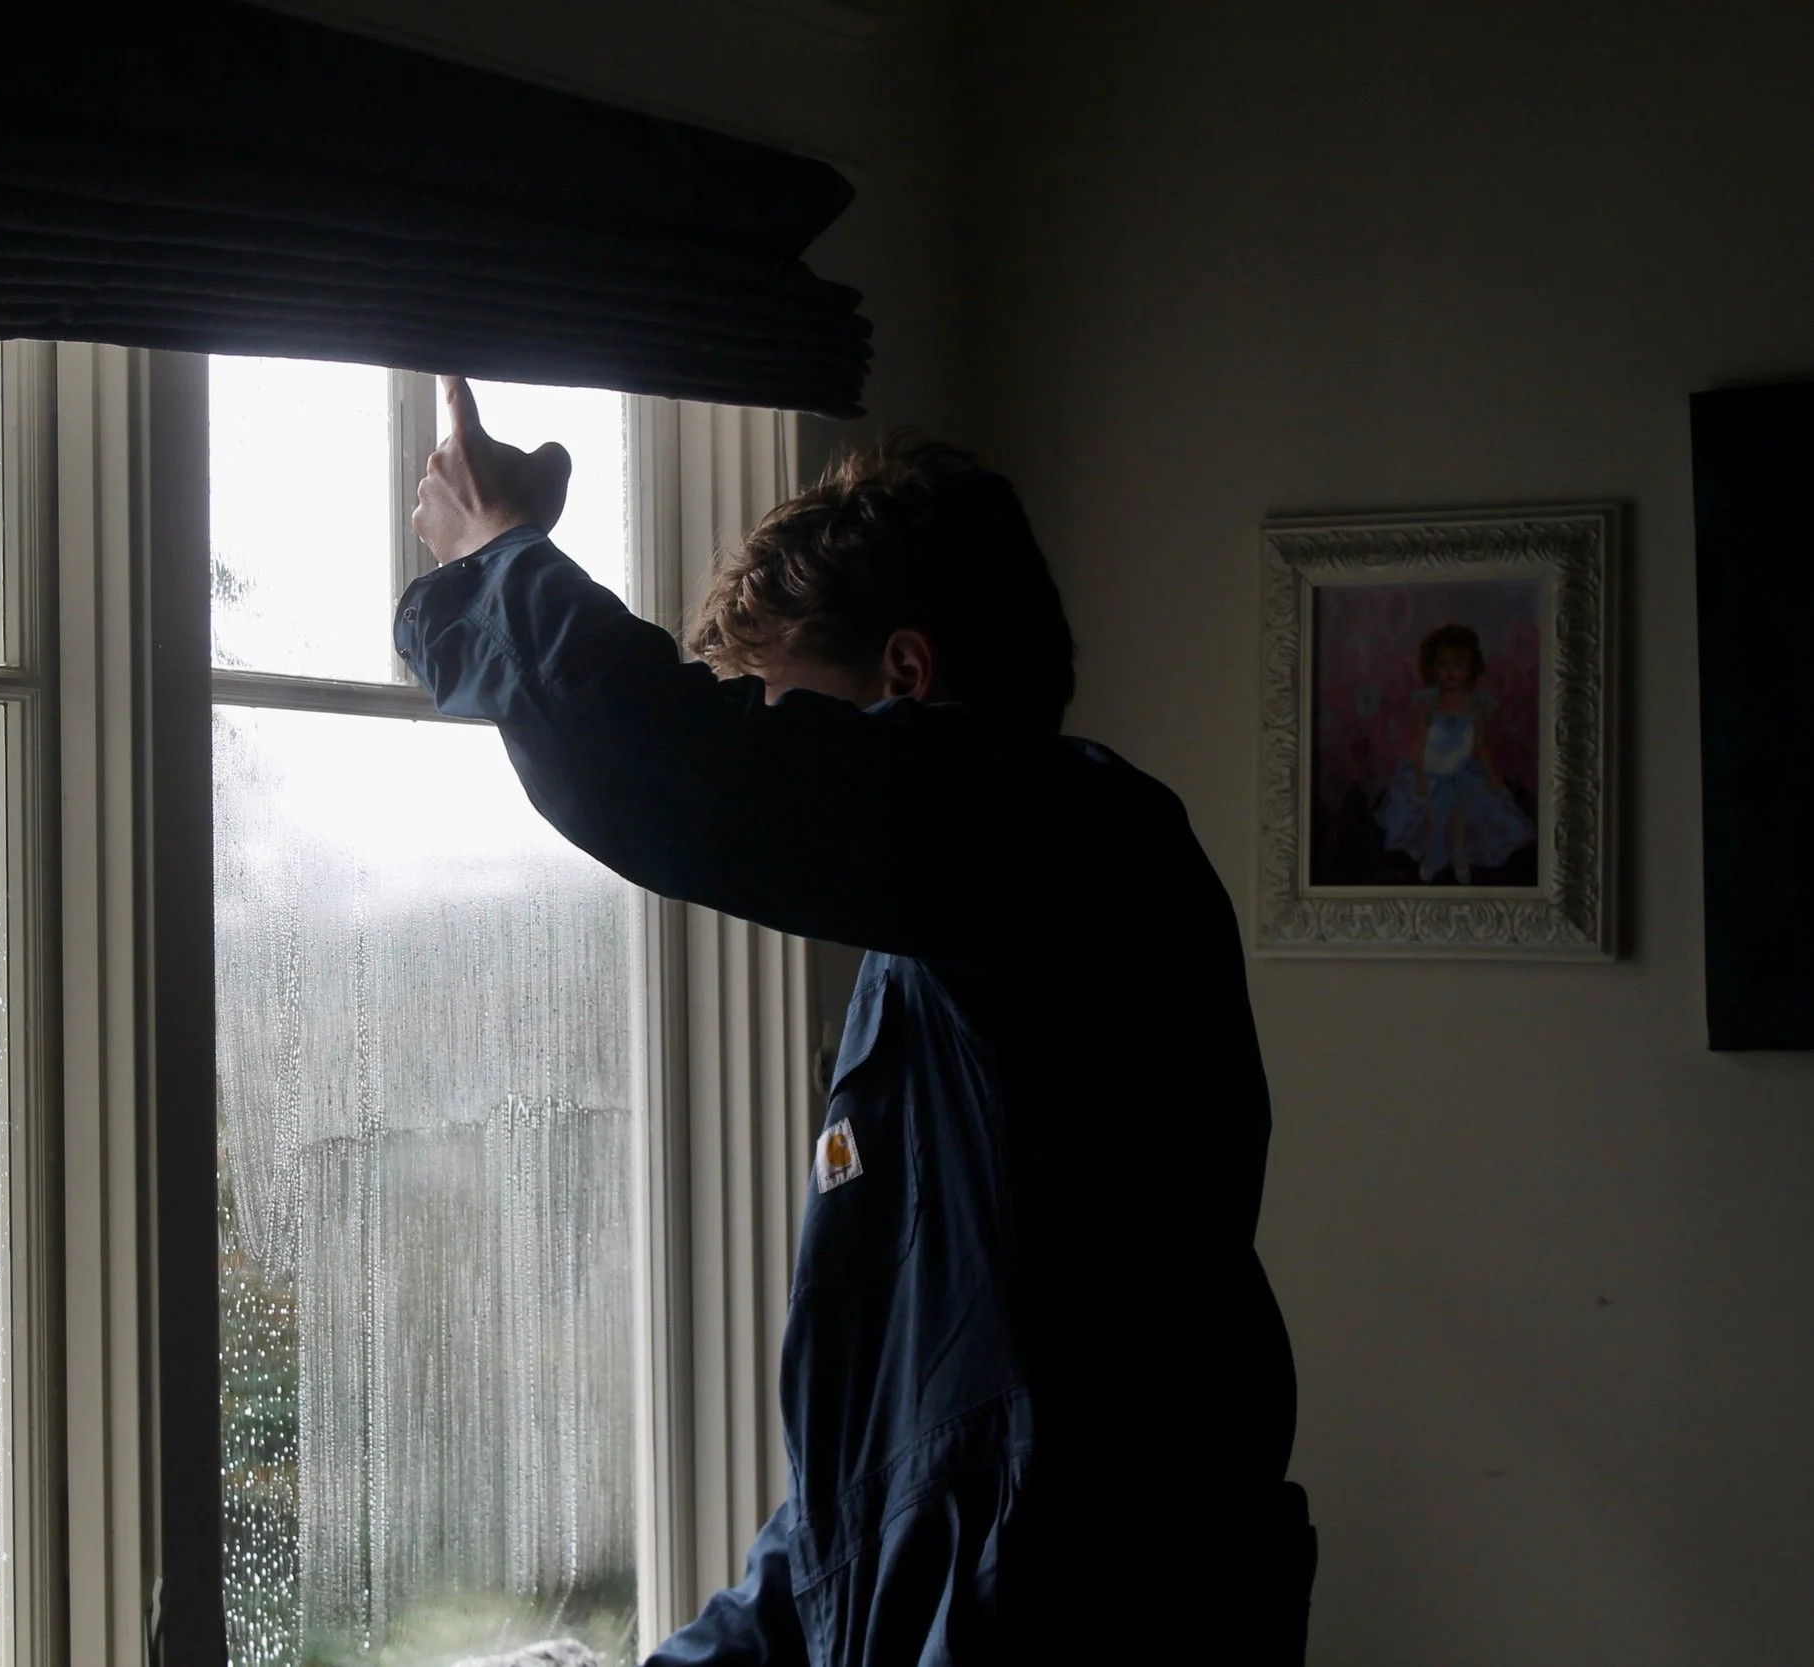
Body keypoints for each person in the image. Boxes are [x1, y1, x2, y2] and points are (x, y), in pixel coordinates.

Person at [398, 378, 1313, 1664]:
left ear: (905, 677)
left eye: (777, 705)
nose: (765, 746)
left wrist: (497, 564)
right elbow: (860, 1515)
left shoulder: (1069, 843)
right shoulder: (932, 965)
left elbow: (685, 775)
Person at [1378, 622, 1534, 883]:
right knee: (1433, 811)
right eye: (1442, 665)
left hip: (1461, 771)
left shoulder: (1477, 705)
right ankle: (1432, 855)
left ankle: (1459, 855)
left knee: (1461, 809)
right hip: (1431, 769)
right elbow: (1418, 742)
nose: (1450, 672)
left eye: (1457, 664)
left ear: (1472, 667)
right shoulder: (1427, 702)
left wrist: (1493, 776)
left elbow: (1481, 745)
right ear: (1433, 668)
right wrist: (1418, 775)